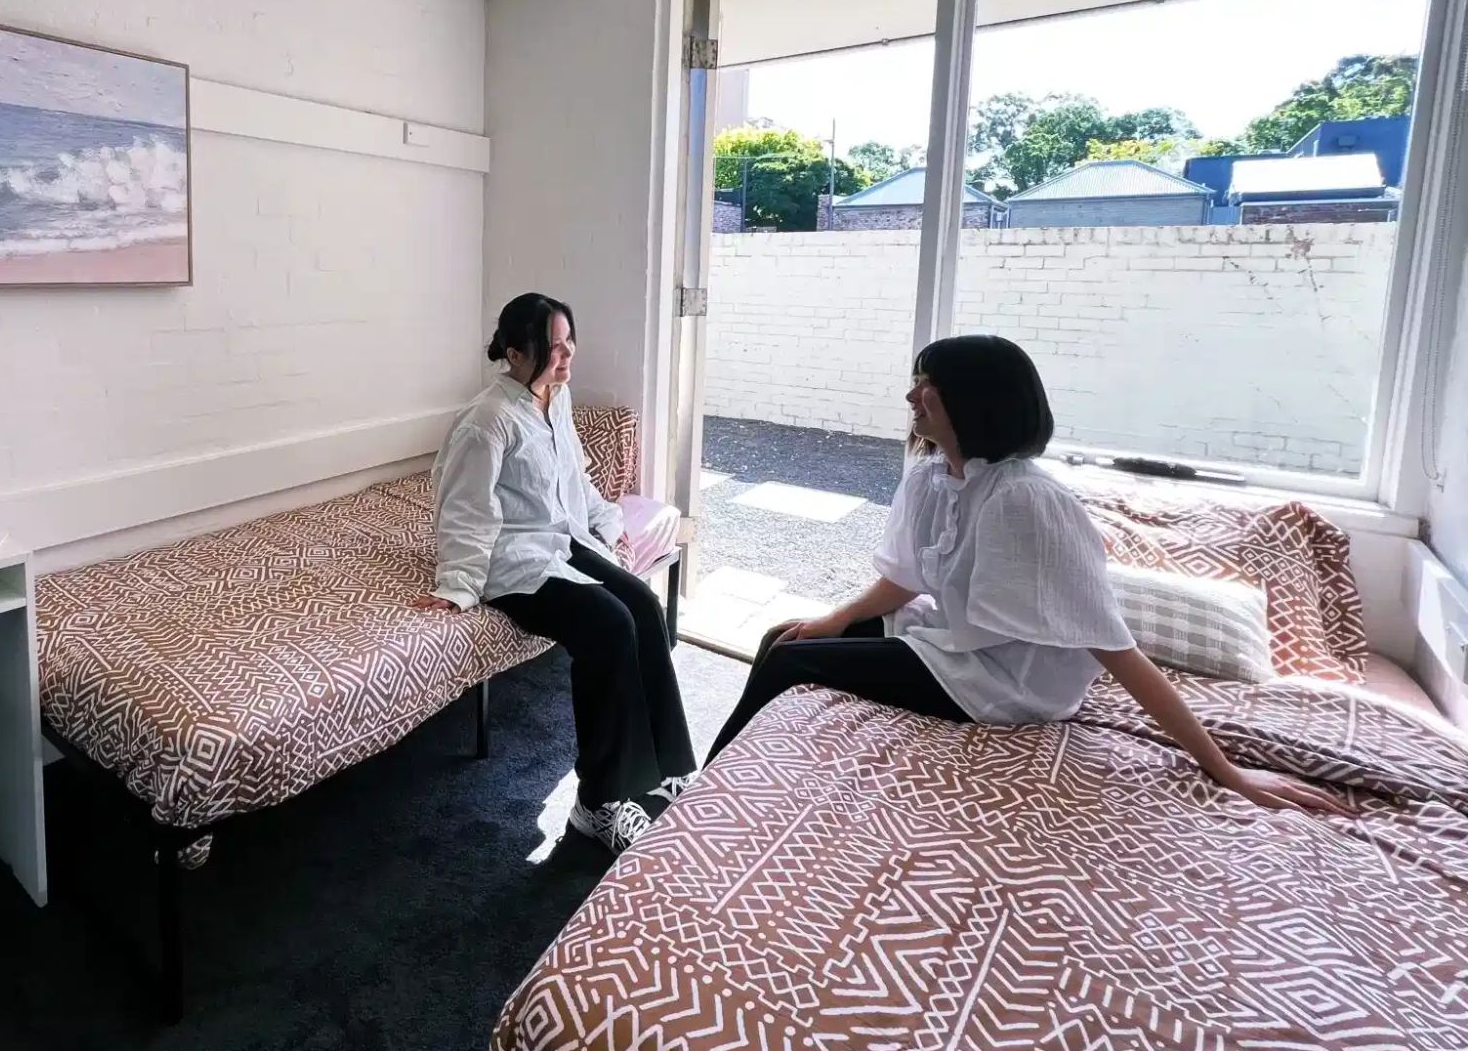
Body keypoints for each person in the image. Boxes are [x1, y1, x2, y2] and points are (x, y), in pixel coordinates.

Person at [707, 334, 1351, 816]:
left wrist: (1226, 770)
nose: (911, 397)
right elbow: (905, 581)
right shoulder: (933, 479)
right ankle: (707, 778)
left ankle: (698, 792)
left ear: (974, 402)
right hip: (954, 643)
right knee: (783, 638)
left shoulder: (1025, 501)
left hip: (1010, 681)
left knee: (793, 663)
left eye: (927, 384)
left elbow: (1113, 646)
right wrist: (834, 620)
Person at [420, 293, 697, 853]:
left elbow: (574, 475)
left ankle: (665, 767)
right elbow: (466, 509)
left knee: (643, 605)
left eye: (570, 342)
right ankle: (597, 804)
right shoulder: (486, 421)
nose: (567, 354)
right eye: (553, 347)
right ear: (516, 354)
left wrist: (606, 520)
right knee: (610, 626)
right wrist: (458, 585)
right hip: (512, 559)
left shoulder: (556, 396)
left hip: (561, 538)